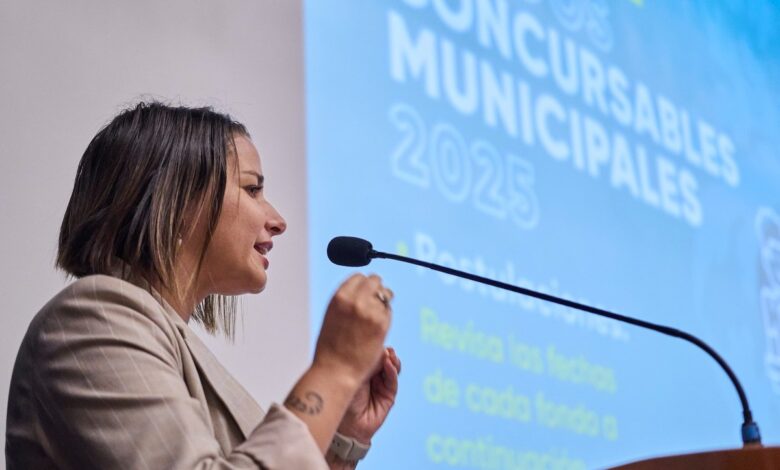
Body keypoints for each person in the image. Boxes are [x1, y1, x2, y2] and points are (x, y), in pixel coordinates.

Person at [5, 102, 401, 469]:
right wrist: (334, 370)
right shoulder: (92, 322)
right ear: (175, 201)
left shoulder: (155, 337)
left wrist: (342, 441)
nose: (278, 220)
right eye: (252, 189)